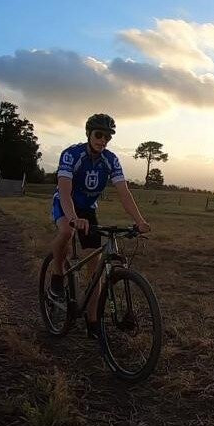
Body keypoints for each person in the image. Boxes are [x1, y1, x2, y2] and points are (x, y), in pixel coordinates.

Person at [48, 113, 151, 337]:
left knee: (95, 270)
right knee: (66, 230)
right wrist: (73, 217)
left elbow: (124, 192)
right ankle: (57, 274)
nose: (102, 140)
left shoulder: (111, 159)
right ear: (88, 134)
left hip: (89, 210)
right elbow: (64, 190)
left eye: (107, 137)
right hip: (66, 204)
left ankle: (92, 321)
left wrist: (139, 220)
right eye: (98, 134)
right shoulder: (71, 154)